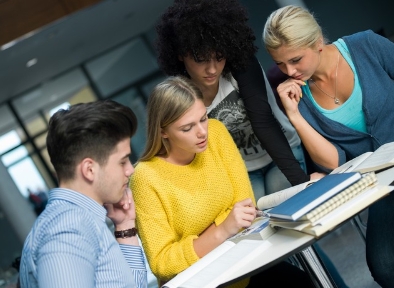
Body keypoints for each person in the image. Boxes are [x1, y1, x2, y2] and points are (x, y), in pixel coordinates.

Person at [130, 76, 314, 288]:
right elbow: (162, 262)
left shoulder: (216, 132)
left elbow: (245, 208)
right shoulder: (145, 177)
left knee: (301, 281)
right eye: (187, 128)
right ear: (162, 131)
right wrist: (222, 229)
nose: (202, 132)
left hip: (245, 264)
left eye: (203, 118)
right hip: (205, 282)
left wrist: (202, 238)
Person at [262, 5, 394, 287]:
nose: (290, 71)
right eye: (281, 64)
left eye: (295, 59)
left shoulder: (366, 45)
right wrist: (295, 115)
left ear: (318, 41)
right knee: (384, 266)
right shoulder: (301, 97)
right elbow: (335, 162)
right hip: (381, 184)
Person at [155, 0, 323, 199]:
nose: (212, 69)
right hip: (241, 168)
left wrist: (303, 184)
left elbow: (262, 121)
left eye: (219, 57)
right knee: (258, 223)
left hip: (282, 150)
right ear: (181, 55)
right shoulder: (182, 92)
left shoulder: (241, 64)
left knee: (289, 209)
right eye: (201, 60)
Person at [19, 100, 147, 288]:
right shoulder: (69, 228)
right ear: (89, 170)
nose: (130, 170)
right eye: (122, 161)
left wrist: (125, 225)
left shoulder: (81, 220)